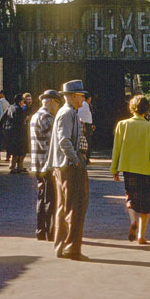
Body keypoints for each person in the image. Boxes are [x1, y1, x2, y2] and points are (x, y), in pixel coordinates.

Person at [46, 80, 89, 261]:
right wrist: (76, 160)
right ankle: (72, 248)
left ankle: (63, 246)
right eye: (81, 96)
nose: (83, 99)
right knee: (75, 207)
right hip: (68, 166)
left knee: (64, 207)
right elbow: (64, 140)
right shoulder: (68, 113)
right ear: (72, 96)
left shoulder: (67, 112)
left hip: (63, 166)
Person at [110, 94, 150, 245]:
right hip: (146, 170)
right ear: (147, 109)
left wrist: (114, 169)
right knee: (145, 204)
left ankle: (132, 220)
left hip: (128, 168)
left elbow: (116, 148)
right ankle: (141, 236)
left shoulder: (122, 125)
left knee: (130, 197)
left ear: (131, 107)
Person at [30, 89, 62, 241]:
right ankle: (50, 232)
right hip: (47, 165)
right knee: (50, 200)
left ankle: (40, 230)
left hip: (37, 164)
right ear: (52, 102)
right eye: (57, 104)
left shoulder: (35, 116)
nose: (58, 108)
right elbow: (54, 142)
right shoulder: (47, 117)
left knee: (41, 198)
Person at [1, 94, 28, 173]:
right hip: (18, 131)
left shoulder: (10, 107)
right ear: (20, 101)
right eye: (23, 100)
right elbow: (20, 120)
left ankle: (13, 166)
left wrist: (3, 126)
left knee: (13, 149)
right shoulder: (19, 109)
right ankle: (18, 167)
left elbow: (3, 117)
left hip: (9, 131)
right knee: (20, 149)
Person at [77, 93, 94, 164]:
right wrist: (83, 126)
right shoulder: (84, 105)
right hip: (85, 125)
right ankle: (85, 158)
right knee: (86, 142)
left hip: (88, 124)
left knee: (88, 141)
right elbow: (81, 116)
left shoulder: (87, 105)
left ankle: (87, 157)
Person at [0, 90, 10, 161]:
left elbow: (0, 112)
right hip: (6, 123)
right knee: (6, 140)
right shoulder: (7, 103)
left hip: (1, 123)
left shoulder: (0, 102)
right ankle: (8, 156)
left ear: (2, 94)